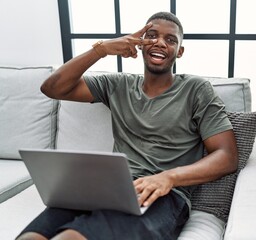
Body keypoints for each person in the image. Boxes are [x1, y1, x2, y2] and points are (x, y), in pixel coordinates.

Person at [17, 12, 238, 240]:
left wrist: (169, 177)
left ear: (179, 51)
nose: (160, 42)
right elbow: (52, 88)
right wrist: (101, 49)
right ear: (141, 45)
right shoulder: (118, 85)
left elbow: (227, 156)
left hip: (164, 195)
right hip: (107, 188)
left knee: (73, 237)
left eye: (170, 40)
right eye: (151, 36)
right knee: (32, 237)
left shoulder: (196, 89)